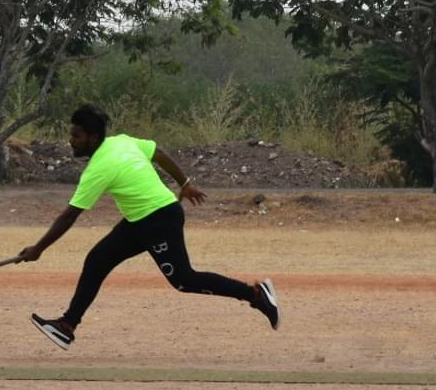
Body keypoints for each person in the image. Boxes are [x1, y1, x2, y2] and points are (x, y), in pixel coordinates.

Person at [20, 104, 280, 350]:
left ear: (93, 136)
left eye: (76, 136)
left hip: (159, 220)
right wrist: (184, 182)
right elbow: (158, 153)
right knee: (98, 259)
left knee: (184, 280)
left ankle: (256, 294)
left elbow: (69, 216)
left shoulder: (99, 167)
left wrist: (38, 248)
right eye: (71, 135)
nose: (71, 141)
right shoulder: (121, 141)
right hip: (140, 220)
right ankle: (67, 325)